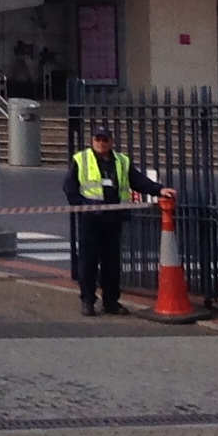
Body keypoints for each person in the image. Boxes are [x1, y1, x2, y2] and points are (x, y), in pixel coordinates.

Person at [62, 122, 161, 316]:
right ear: (92, 141)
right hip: (91, 220)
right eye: (97, 139)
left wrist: (159, 190)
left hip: (113, 219)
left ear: (111, 142)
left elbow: (138, 181)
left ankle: (111, 302)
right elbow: (69, 186)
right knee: (88, 263)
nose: (101, 143)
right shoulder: (82, 159)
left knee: (112, 263)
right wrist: (81, 207)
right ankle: (88, 301)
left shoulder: (122, 161)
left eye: (104, 139)